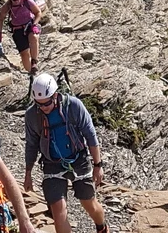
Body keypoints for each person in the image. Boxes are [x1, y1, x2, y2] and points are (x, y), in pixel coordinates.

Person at [22, 73, 109, 233]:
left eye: (47, 103)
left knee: (88, 203)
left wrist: (98, 165)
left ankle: (102, 227)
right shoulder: (32, 115)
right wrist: (28, 172)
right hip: (52, 163)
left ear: (55, 95)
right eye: (39, 104)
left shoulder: (74, 106)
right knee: (58, 211)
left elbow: (90, 135)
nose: (43, 108)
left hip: (79, 160)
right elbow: (32, 144)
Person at [0, 0, 41, 75]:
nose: (16, 1)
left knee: (33, 37)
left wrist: (35, 24)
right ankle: (30, 73)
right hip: (17, 29)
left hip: (30, 25)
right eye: (14, 0)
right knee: (24, 54)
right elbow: (0, 19)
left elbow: (38, 12)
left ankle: (34, 62)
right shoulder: (7, 6)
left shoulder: (27, 1)